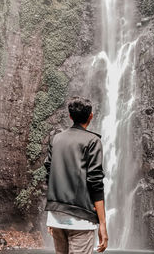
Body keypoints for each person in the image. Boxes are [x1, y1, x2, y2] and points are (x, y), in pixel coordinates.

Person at [44, 96, 108, 254]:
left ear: (70, 116)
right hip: (81, 219)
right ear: (91, 116)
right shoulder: (92, 141)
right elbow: (96, 182)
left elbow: (49, 175)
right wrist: (103, 225)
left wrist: (53, 212)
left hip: (56, 217)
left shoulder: (56, 139)